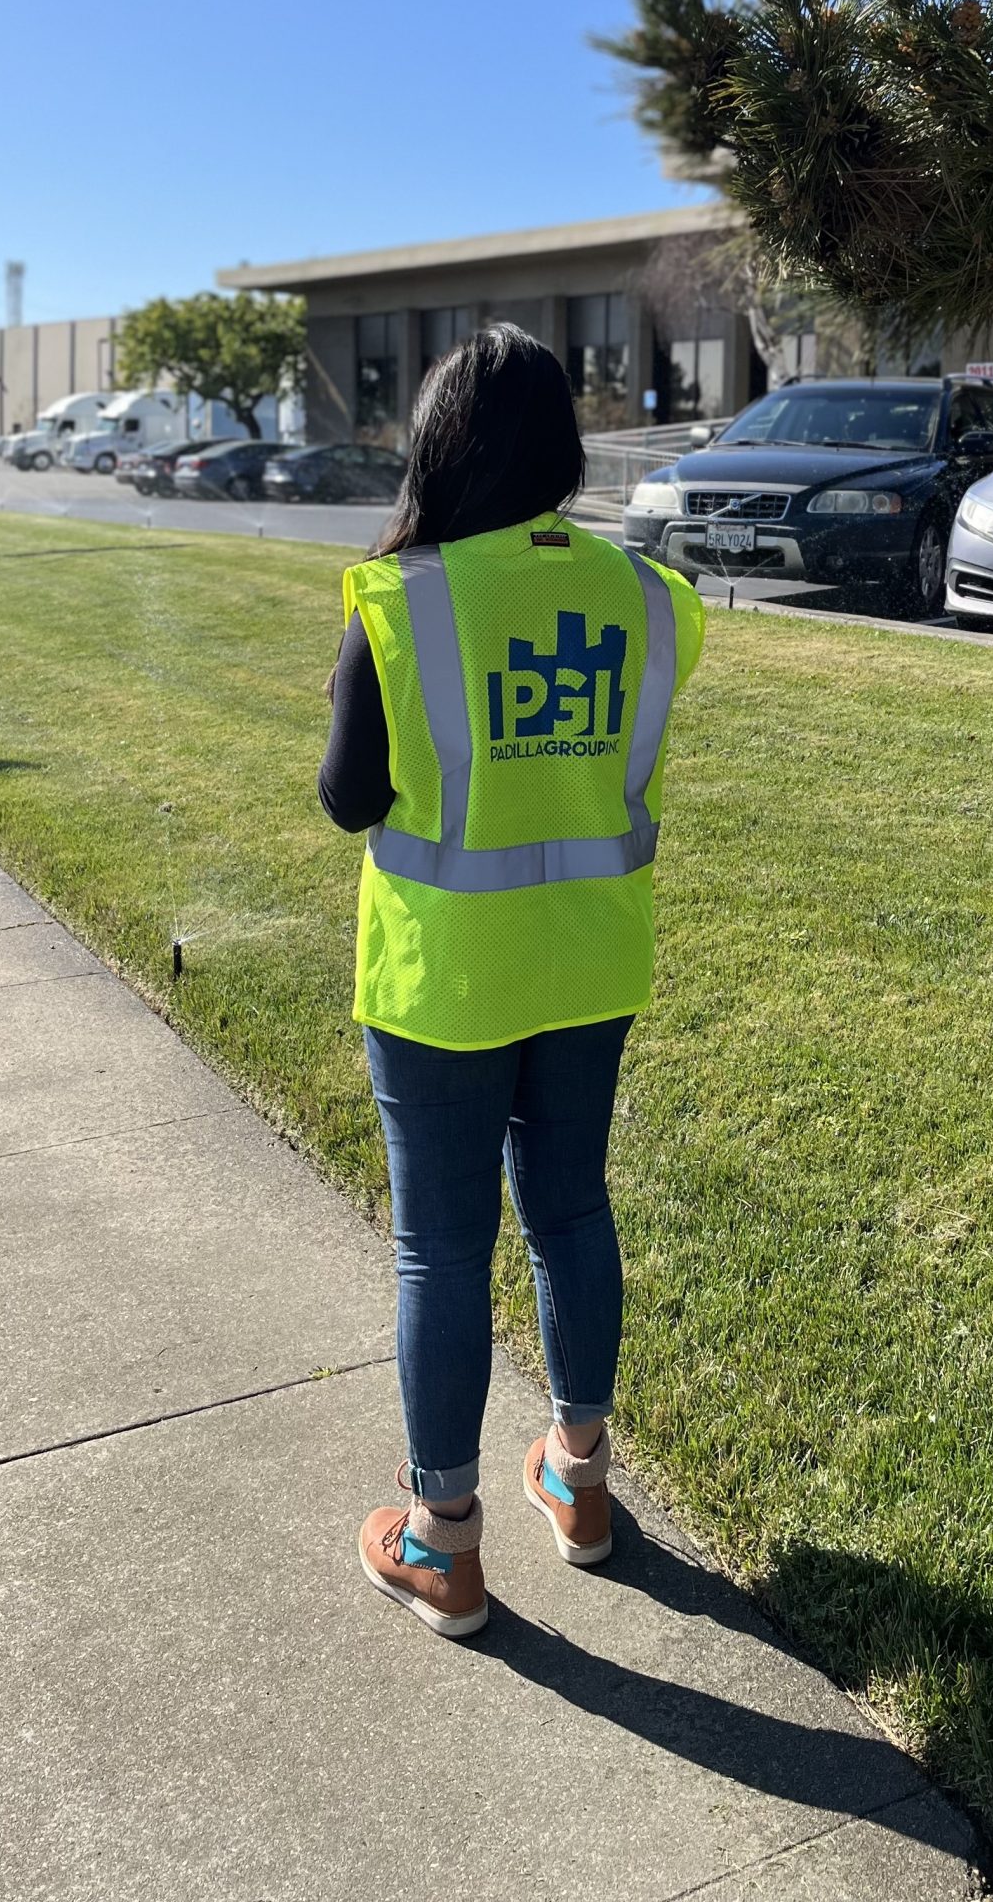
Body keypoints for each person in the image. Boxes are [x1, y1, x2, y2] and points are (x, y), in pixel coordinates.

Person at [319, 323, 704, 1639]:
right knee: (570, 1212)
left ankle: (443, 1539)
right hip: (591, 958)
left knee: (443, 1249)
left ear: (440, 444)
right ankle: (582, 1490)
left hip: (446, 978)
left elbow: (347, 799)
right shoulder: (647, 597)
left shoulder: (407, 597)